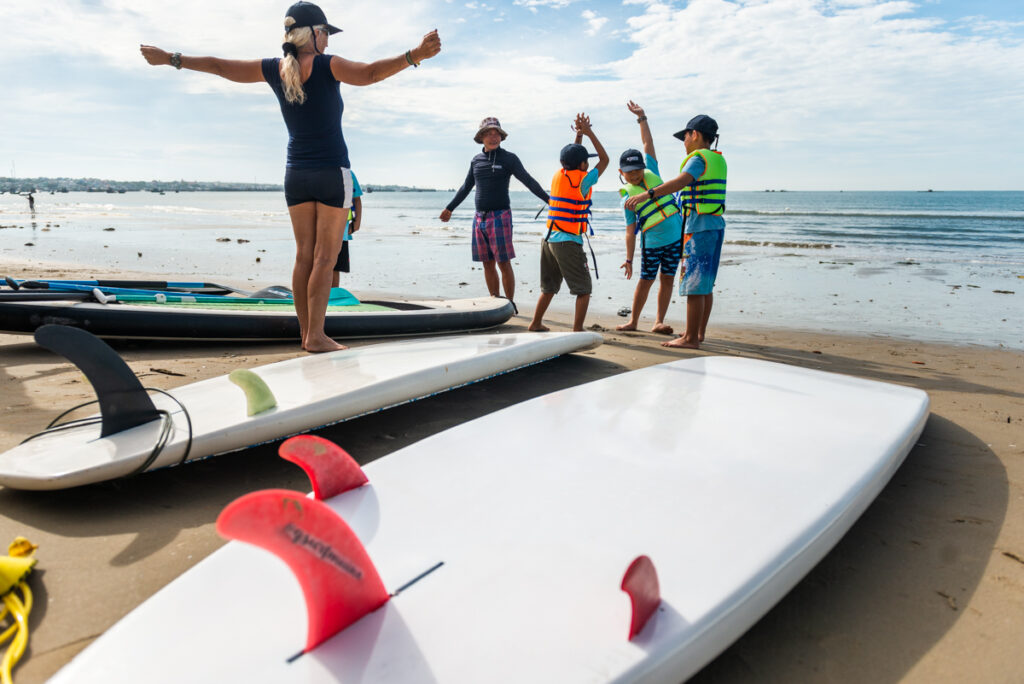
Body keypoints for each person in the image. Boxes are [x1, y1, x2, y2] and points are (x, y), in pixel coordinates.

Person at [140, 1, 440, 352]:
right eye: (325, 32)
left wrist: (171, 59)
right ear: (312, 34)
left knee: (303, 257)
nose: (327, 39)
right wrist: (415, 55)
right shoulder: (328, 64)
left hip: (295, 175)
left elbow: (220, 66)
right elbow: (370, 74)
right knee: (325, 260)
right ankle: (316, 336)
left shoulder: (274, 69)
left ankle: (307, 333)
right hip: (331, 173)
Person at [625, 114, 726, 349]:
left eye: (686, 137)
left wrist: (648, 193)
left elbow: (681, 181)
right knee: (705, 284)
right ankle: (698, 333)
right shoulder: (717, 159)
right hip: (715, 225)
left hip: (699, 227)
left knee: (695, 284)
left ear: (695, 135)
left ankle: (690, 339)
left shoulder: (697, 158)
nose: (684, 142)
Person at [440, 117, 550, 308]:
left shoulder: (509, 158)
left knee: (503, 262)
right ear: (481, 137)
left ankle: (509, 304)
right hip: (479, 218)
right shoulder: (476, 161)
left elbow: (528, 180)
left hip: (500, 216)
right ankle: (494, 303)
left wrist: (549, 200)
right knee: (487, 263)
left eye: (496, 133)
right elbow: (466, 187)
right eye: (489, 134)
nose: (493, 137)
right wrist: (450, 208)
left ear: (501, 136)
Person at [528, 113, 608, 333]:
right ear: (582, 165)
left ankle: (535, 323)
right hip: (568, 242)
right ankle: (577, 330)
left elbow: (574, 156)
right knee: (584, 289)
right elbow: (605, 160)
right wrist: (589, 132)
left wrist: (579, 135)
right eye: (586, 162)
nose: (588, 164)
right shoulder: (583, 180)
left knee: (549, 288)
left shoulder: (559, 175)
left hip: (549, 239)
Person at [615, 101, 683, 335]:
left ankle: (658, 322)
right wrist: (629, 259)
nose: (634, 175)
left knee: (668, 279)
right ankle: (633, 321)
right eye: (629, 172)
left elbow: (647, 144)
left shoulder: (652, 170)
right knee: (646, 280)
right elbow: (630, 231)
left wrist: (642, 118)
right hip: (652, 243)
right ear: (621, 173)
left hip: (675, 239)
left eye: (637, 170)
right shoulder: (628, 199)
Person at [331, 171, 362, 288]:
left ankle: (334, 294)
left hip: (341, 231)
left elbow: (356, 199)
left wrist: (357, 222)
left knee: (335, 266)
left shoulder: (347, 172)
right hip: (319, 228)